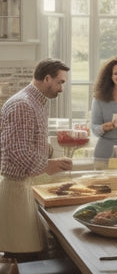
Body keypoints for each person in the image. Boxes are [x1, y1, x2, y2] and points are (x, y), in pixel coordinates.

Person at [0, 58, 73, 260]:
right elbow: (16, 148)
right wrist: (47, 166)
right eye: (60, 82)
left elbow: (29, 140)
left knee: (33, 252)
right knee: (23, 257)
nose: (61, 88)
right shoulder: (22, 104)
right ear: (47, 78)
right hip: (16, 190)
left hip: (24, 187)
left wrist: (51, 153)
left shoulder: (36, 102)